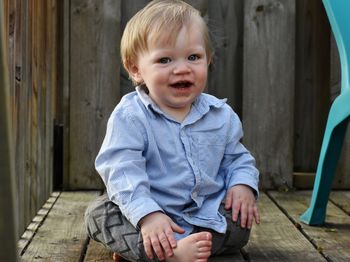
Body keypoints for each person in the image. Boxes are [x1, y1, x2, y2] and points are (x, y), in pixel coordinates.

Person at [85, 0, 260, 261]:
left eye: (193, 57)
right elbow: (121, 169)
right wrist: (149, 216)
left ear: (208, 60)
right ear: (135, 69)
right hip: (148, 216)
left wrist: (243, 184)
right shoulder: (131, 116)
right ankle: (168, 251)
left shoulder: (221, 115)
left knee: (240, 222)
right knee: (97, 214)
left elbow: (237, 159)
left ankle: (158, 252)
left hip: (204, 215)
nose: (182, 68)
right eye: (164, 60)